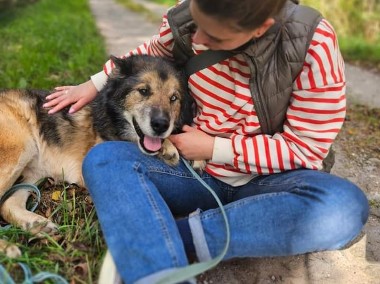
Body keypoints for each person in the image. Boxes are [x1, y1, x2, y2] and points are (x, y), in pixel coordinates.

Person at [44, 0, 369, 283]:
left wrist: (215, 147)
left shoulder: (312, 44)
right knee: (105, 159)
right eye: (196, 26)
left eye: (213, 37)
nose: (196, 40)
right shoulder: (190, 15)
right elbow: (153, 51)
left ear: (260, 28)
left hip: (270, 180)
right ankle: (158, 260)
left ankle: (155, 244)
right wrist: (94, 83)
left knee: (344, 206)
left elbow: (306, 148)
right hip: (191, 172)